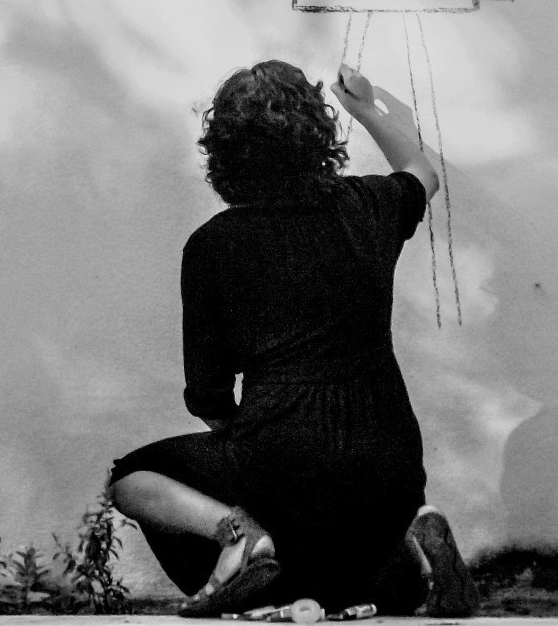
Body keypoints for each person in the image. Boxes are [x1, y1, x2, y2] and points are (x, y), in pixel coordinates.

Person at [108, 60, 478, 618]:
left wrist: (260, 446)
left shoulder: (212, 246)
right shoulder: (368, 206)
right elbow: (422, 171)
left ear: (224, 151)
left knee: (130, 480)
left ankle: (240, 538)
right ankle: (414, 555)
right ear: (319, 135)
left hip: (278, 457)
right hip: (391, 460)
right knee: (360, 560)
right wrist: (365, 108)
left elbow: (208, 397)